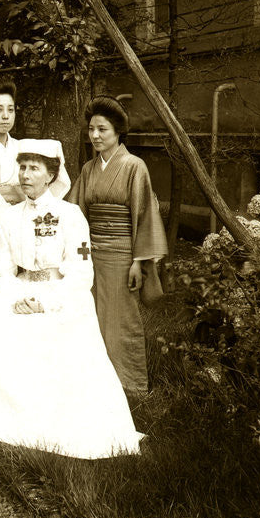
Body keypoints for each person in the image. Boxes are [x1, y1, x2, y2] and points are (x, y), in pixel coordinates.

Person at [0, 139, 142, 459]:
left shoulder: (71, 215)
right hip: (20, 292)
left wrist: (49, 302)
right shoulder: (10, 219)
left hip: (63, 293)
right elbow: (2, 271)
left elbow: (82, 272)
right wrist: (15, 298)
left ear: (50, 175)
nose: (24, 174)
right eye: (21, 167)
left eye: (34, 168)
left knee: (54, 328)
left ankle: (52, 424)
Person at [67, 95, 167, 394]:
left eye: (102, 130)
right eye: (92, 129)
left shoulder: (135, 166)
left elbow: (144, 214)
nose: (95, 136)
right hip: (91, 254)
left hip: (123, 255)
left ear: (118, 133)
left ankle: (130, 384)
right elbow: (74, 211)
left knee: (123, 321)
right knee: (90, 318)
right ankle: (95, 385)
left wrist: (139, 261)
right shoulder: (88, 169)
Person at [0, 80, 70, 307]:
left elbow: (49, 183)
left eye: (10, 109)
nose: (5, 116)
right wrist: (20, 203)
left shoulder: (22, 149)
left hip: (24, 232)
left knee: (22, 306)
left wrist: (15, 195)